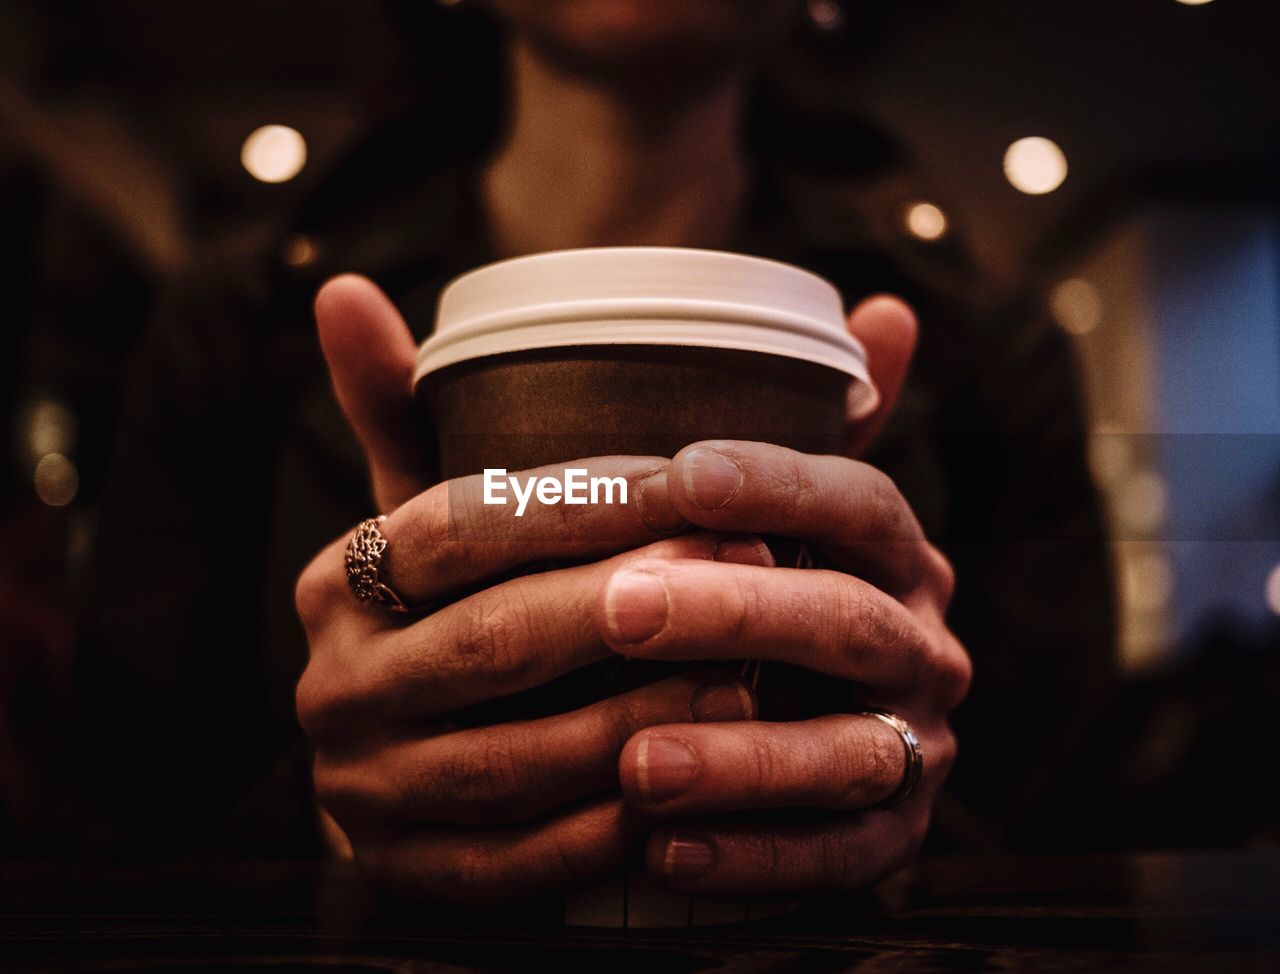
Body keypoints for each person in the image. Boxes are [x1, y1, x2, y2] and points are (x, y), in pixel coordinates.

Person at [62, 0, 1117, 905]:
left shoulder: (983, 345)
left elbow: (1082, 828)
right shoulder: (237, 325)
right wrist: (336, 807)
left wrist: (899, 778)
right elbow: (115, 806)